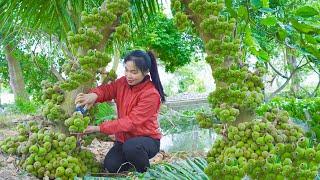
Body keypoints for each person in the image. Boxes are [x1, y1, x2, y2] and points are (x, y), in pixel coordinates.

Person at [74, 50, 165, 173]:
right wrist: (94, 95)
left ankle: (145, 172)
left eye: (134, 72)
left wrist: (98, 128)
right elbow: (108, 90)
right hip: (124, 140)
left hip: (147, 140)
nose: (128, 75)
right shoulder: (123, 82)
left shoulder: (151, 94)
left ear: (145, 72)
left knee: (132, 148)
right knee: (111, 166)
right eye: (126, 70)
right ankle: (133, 162)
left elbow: (130, 122)